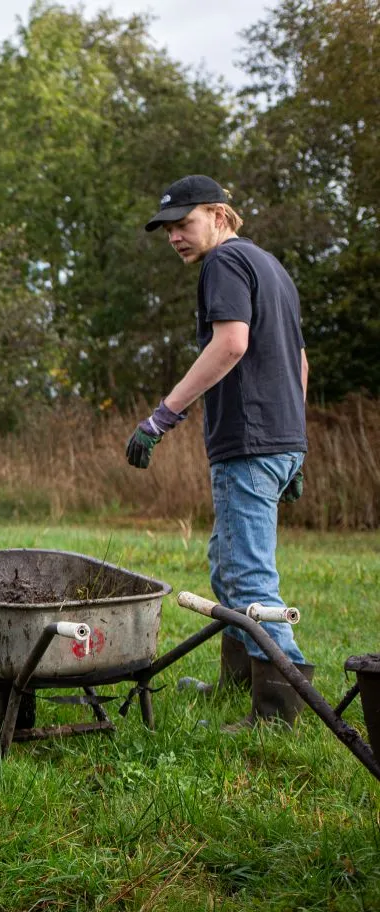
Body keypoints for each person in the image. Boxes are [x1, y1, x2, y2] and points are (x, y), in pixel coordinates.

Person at [129, 175, 310, 729]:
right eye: (167, 229)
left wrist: (163, 415)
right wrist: (296, 444)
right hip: (277, 438)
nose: (175, 238)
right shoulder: (271, 267)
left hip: (250, 441)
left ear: (218, 214)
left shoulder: (223, 264)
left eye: (184, 224)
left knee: (250, 576)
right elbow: (300, 363)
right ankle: (238, 681)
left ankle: (279, 708)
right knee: (227, 564)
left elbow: (231, 343)